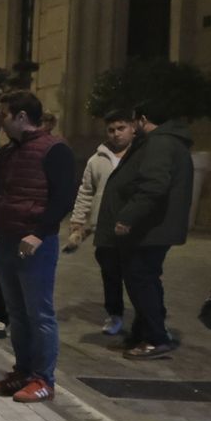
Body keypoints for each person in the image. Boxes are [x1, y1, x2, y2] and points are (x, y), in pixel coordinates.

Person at [0, 91, 75, 403]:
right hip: (7, 240)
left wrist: (39, 233)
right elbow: (1, 192)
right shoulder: (8, 152)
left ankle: (43, 380)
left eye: (4, 115)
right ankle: (22, 371)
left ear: (22, 116)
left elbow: (64, 197)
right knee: (16, 314)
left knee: (39, 314)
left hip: (36, 244)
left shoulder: (55, 149)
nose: (0, 121)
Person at [95, 100, 195, 359]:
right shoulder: (166, 141)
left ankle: (155, 339)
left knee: (141, 279)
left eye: (133, 120)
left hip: (152, 228)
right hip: (153, 227)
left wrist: (128, 216)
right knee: (143, 278)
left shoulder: (160, 143)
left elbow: (154, 184)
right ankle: (141, 334)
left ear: (143, 119)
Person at [64, 111, 135, 335]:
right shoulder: (97, 160)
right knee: (111, 275)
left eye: (121, 128)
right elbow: (86, 192)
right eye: (111, 130)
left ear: (133, 127)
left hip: (135, 228)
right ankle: (114, 315)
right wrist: (77, 222)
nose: (116, 134)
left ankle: (149, 318)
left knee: (138, 276)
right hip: (104, 228)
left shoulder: (141, 156)